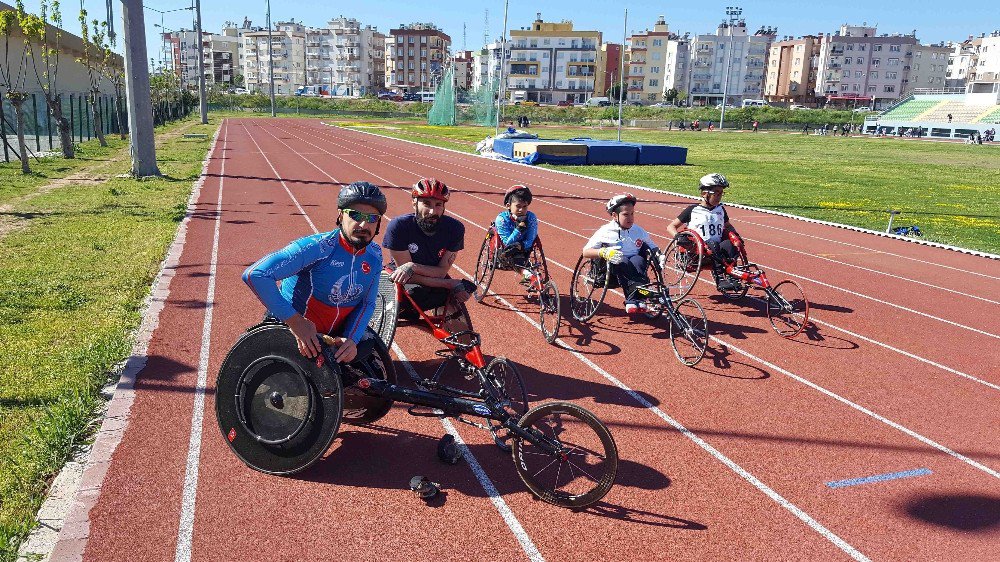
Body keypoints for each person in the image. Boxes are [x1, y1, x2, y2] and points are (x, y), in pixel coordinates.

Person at [242, 181, 386, 361]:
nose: (364, 224)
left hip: (331, 337)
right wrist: (297, 323)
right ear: (341, 216)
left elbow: (367, 303)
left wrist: (351, 338)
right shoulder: (316, 248)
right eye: (355, 215)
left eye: (372, 218)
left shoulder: (375, 255)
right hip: (294, 330)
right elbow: (256, 274)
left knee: (367, 354)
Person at [383, 178, 474, 318]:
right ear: (414, 202)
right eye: (426, 203)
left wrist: (413, 266)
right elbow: (405, 275)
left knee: (457, 293)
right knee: (414, 298)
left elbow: (441, 272)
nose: (432, 211)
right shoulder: (398, 226)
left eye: (438, 205)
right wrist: (449, 283)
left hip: (429, 273)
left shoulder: (455, 229)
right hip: (405, 277)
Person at [582, 194, 663, 315]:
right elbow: (585, 252)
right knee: (623, 260)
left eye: (632, 214)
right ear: (615, 216)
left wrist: (659, 255)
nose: (630, 218)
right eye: (626, 214)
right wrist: (604, 252)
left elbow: (652, 246)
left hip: (636, 266)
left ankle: (637, 297)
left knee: (638, 260)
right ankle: (635, 298)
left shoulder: (638, 230)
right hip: (613, 268)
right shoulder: (605, 231)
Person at [666, 173, 745, 292]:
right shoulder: (692, 210)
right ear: (704, 193)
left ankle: (732, 276)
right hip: (697, 252)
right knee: (712, 245)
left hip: (717, 251)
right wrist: (678, 237)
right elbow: (671, 226)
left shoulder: (721, 210)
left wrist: (736, 236)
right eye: (716, 193)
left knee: (730, 244)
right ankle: (720, 279)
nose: (719, 196)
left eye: (721, 193)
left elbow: (727, 226)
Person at [493, 185, 540, 286]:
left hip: (525, 249)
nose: (521, 210)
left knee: (520, 252)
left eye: (524, 207)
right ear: (508, 205)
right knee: (513, 251)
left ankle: (530, 276)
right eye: (518, 206)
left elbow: (531, 238)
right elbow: (507, 243)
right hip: (506, 252)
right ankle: (528, 275)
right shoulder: (501, 219)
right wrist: (519, 228)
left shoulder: (531, 217)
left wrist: (522, 246)